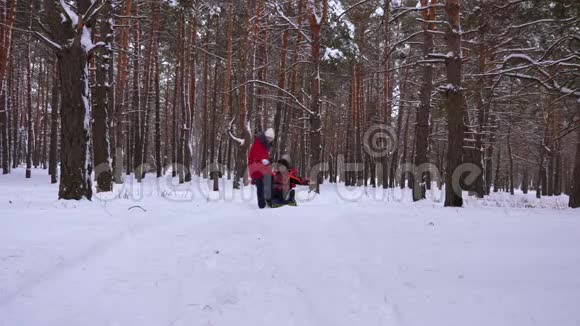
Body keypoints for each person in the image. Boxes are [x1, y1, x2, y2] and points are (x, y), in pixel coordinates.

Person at [248, 128, 275, 208]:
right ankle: (262, 205)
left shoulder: (265, 144)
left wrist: (267, 161)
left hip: (263, 167)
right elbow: (255, 157)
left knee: (269, 183)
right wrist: (262, 161)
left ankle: (270, 201)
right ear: (265, 136)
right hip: (255, 167)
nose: (269, 140)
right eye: (268, 138)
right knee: (260, 186)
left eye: (271, 138)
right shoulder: (259, 143)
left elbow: (263, 157)